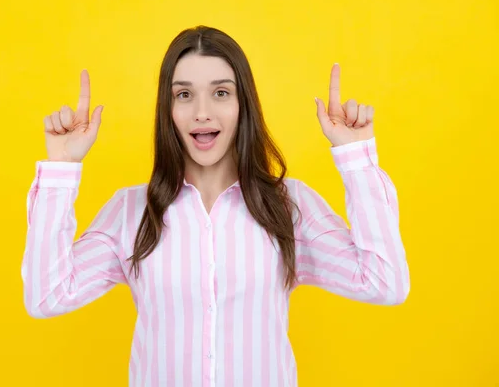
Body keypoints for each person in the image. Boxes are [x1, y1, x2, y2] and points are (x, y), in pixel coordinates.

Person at [21, 25, 410, 387]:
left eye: (220, 92)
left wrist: (355, 156)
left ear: (244, 106)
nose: (201, 112)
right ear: (168, 109)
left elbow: (384, 282)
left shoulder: (288, 207)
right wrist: (62, 167)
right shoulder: (131, 211)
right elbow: (46, 296)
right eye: (184, 94)